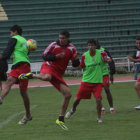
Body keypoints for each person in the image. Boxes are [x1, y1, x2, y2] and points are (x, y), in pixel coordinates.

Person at [18, 30, 80, 130]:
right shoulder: (53, 45)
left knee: (68, 94)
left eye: (63, 38)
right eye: (60, 38)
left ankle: (60, 119)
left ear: (68, 38)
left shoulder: (72, 49)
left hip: (58, 74)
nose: (61, 40)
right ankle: (32, 75)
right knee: (47, 77)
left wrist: (77, 60)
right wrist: (55, 56)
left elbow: (75, 65)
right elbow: (44, 56)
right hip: (49, 67)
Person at [65, 39, 111, 123]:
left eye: (92, 45)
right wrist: (74, 63)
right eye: (89, 45)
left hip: (97, 82)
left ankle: (99, 118)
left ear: (95, 46)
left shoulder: (101, 53)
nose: (90, 47)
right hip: (86, 81)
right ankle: (72, 110)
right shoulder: (84, 56)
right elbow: (81, 66)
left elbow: (108, 59)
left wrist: (107, 60)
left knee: (98, 100)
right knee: (77, 99)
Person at [0, 25, 32, 125]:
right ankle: (1, 98)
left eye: (11, 32)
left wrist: (2, 56)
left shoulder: (14, 38)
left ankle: (27, 115)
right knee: (14, 85)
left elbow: (7, 53)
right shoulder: (25, 41)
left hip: (20, 65)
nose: (10, 34)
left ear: (15, 32)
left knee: (16, 86)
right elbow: (27, 53)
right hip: (24, 65)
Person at [96, 40, 116, 114]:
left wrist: (112, 74)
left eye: (96, 44)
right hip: (96, 75)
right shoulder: (91, 52)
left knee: (106, 89)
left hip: (104, 74)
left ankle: (111, 107)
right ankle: (102, 107)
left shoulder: (104, 51)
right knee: (98, 92)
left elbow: (111, 62)